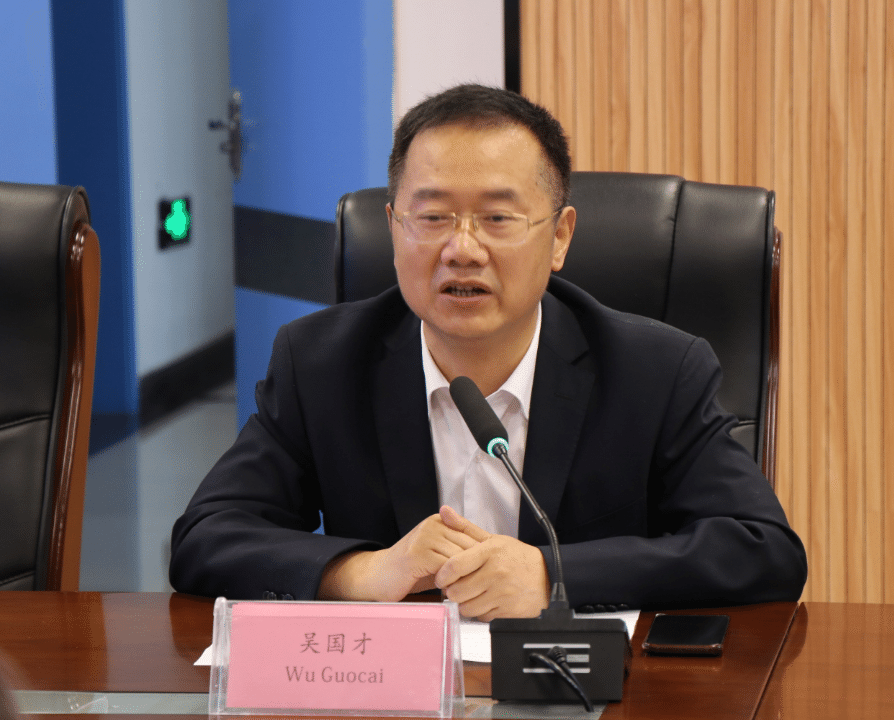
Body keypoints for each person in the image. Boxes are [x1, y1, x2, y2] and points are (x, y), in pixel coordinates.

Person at [170, 84, 807, 619]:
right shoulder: (321, 362)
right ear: (393, 229)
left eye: (498, 219)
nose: (463, 250)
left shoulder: (655, 370)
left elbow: (763, 550)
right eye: (433, 217)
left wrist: (553, 576)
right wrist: (365, 572)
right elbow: (205, 538)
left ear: (560, 238)